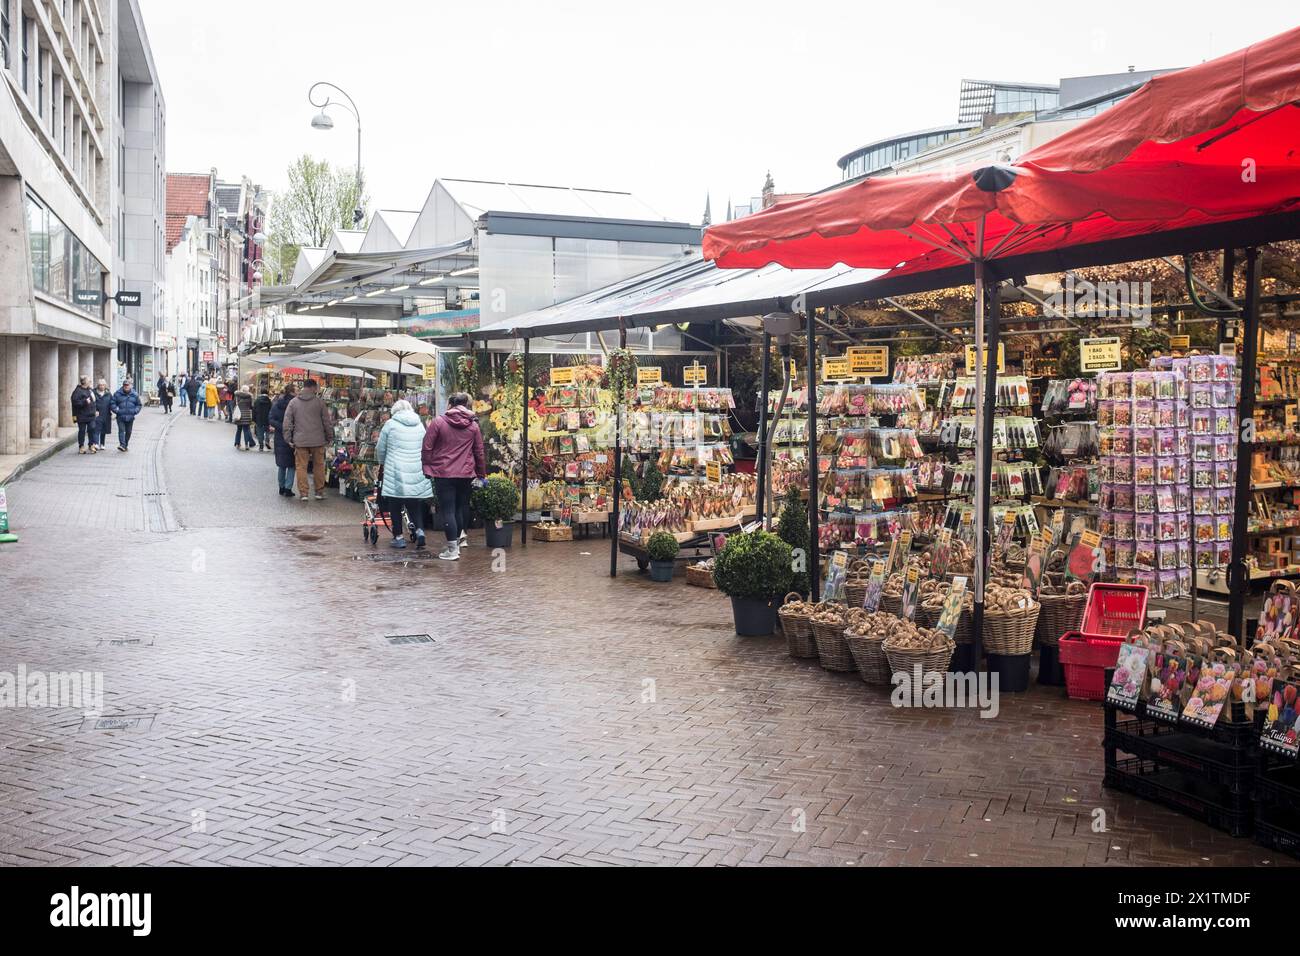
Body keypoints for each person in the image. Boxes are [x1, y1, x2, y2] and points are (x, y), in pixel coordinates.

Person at [421, 391, 486, 561]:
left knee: (448, 510)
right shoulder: (473, 426)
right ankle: (456, 543)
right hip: (466, 473)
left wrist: (427, 467)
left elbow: (427, 447)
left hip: (443, 473)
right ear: (466, 406)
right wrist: (481, 474)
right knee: (460, 507)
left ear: (450, 404)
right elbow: (479, 452)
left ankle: (452, 548)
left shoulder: (438, 423)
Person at [375, 399, 432, 549]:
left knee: (395, 503)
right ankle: (420, 531)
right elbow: (425, 445)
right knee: (414, 502)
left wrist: (381, 462)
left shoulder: (390, 424)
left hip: (396, 469)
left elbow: (381, 448)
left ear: (395, 410)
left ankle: (399, 537)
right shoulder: (420, 424)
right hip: (415, 468)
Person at [282, 378, 333, 501]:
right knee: (319, 466)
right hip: (318, 440)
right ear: (313, 388)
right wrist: (329, 437)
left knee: (301, 467)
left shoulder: (293, 402)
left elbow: (287, 422)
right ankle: (319, 492)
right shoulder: (319, 402)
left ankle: (304, 493)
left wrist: (288, 438)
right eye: (316, 387)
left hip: (300, 440)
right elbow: (327, 422)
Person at [268, 384, 297, 496]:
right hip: (293, 436)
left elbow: (270, 419)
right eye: (297, 390)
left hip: (279, 436)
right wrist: (289, 427)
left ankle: (281, 487)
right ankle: (288, 488)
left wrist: (281, 426)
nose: (298, 392)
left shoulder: (277, 404)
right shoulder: (296, 404)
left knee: (282, 464)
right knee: (291, 465)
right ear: (292, 392)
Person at [109, 379, 142, 452]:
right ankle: (122, 444)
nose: (126, 387)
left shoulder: (135, 394)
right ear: (123, 386)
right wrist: (116, 410)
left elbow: (139, 405)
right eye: (125, 385)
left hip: (130, 417)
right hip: (120, 416)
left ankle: (125, 444)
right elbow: (112, 403)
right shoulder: (117, 394)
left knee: (128, 432)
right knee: (121, 430)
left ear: (130, 386)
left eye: (127, 385)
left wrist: (135, 411)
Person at [71, 375, 97, 454]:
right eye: (89, 381)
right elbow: (75, 402)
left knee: (92, 429)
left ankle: (91, 444)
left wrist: (96, 410)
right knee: (82, 431)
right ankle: (81, 446)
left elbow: (95, 400)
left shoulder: (90, 390)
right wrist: (84, 402)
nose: (90, 382)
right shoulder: (77, 391)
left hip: (91, 414)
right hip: (81, 415)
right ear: (84, 382)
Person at [232, 382, 256, 450]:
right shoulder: (249, 397)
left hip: (238, 415)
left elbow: (234, 404)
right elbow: (251, 406)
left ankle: (237, 443)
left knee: (238, 430)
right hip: (246, 415)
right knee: (246, 430)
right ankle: (246, 445)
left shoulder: (237, 395)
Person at [92, 379, 112, 449]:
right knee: (96, 429)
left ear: (105, 385)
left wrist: (113, 409)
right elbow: (92, 404)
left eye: (103, 385)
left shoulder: (108, 393)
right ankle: (96, 443)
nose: (101, 386)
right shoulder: (93, 393)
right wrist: (94, 410)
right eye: (100, 385)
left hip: (106, 414)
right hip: (97, 414)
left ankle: (102, 444)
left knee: (104, 430)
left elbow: (111, 403)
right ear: (98, 385)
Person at [252, 385, 272, 451]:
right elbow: (271, 410)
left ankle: (261, 446)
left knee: (260, 432)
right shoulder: (269, 401)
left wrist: (254, 419)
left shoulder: (257, 401)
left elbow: (254, 410)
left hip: (259, 418)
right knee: (267, 431)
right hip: (267, 418)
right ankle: (267, 440)